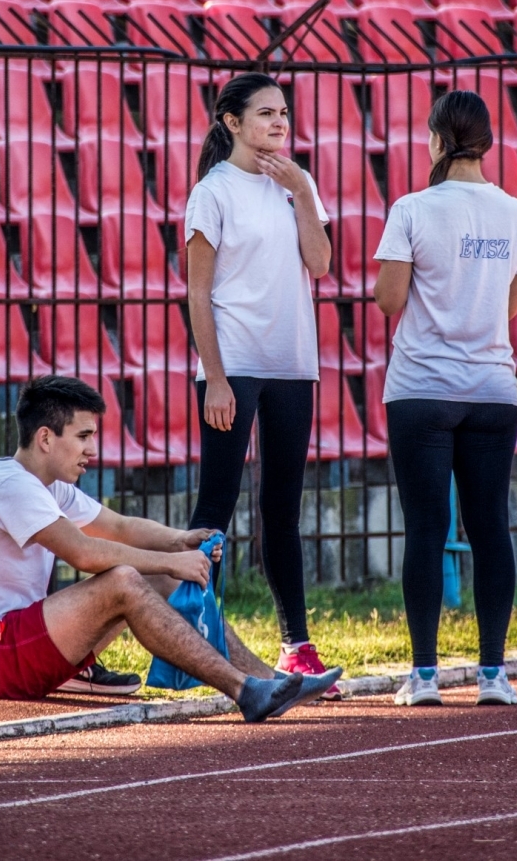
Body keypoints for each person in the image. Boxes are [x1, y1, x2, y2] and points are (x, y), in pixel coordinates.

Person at [0, 374, 340, 720]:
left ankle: (271, 682)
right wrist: (173, 561)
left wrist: (180, 541)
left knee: (152, 576)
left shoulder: (50, 487)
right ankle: (243, 690)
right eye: (83, 437)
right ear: (45, 438)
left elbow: (119, 526)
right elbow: (85, 553)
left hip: (17, 640)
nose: (92, 450)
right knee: (124, 581)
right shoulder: (10, 485)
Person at [373, 91, 517, 708]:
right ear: (488, 143)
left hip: (421, 387)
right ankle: (494, 673)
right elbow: (510, 304)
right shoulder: (516, 213)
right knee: (491, 525)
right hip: (494, 389)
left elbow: (389, 301)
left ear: (438, 141)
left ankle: (423, 676)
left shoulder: (413, 208)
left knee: (426, 527)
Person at [185, 73, 341, 698]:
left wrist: (302, 189)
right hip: (235, 366)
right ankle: (193, 643)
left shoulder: (294, 185)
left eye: (284, 113)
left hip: (292, 364)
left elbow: (322, 264)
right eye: (267, 113)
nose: (280, 123)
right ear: (232, 122)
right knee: (215, 508)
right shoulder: (212, 191)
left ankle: (296, 646)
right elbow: (198, 291)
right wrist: (216, 378)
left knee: (282, 508)